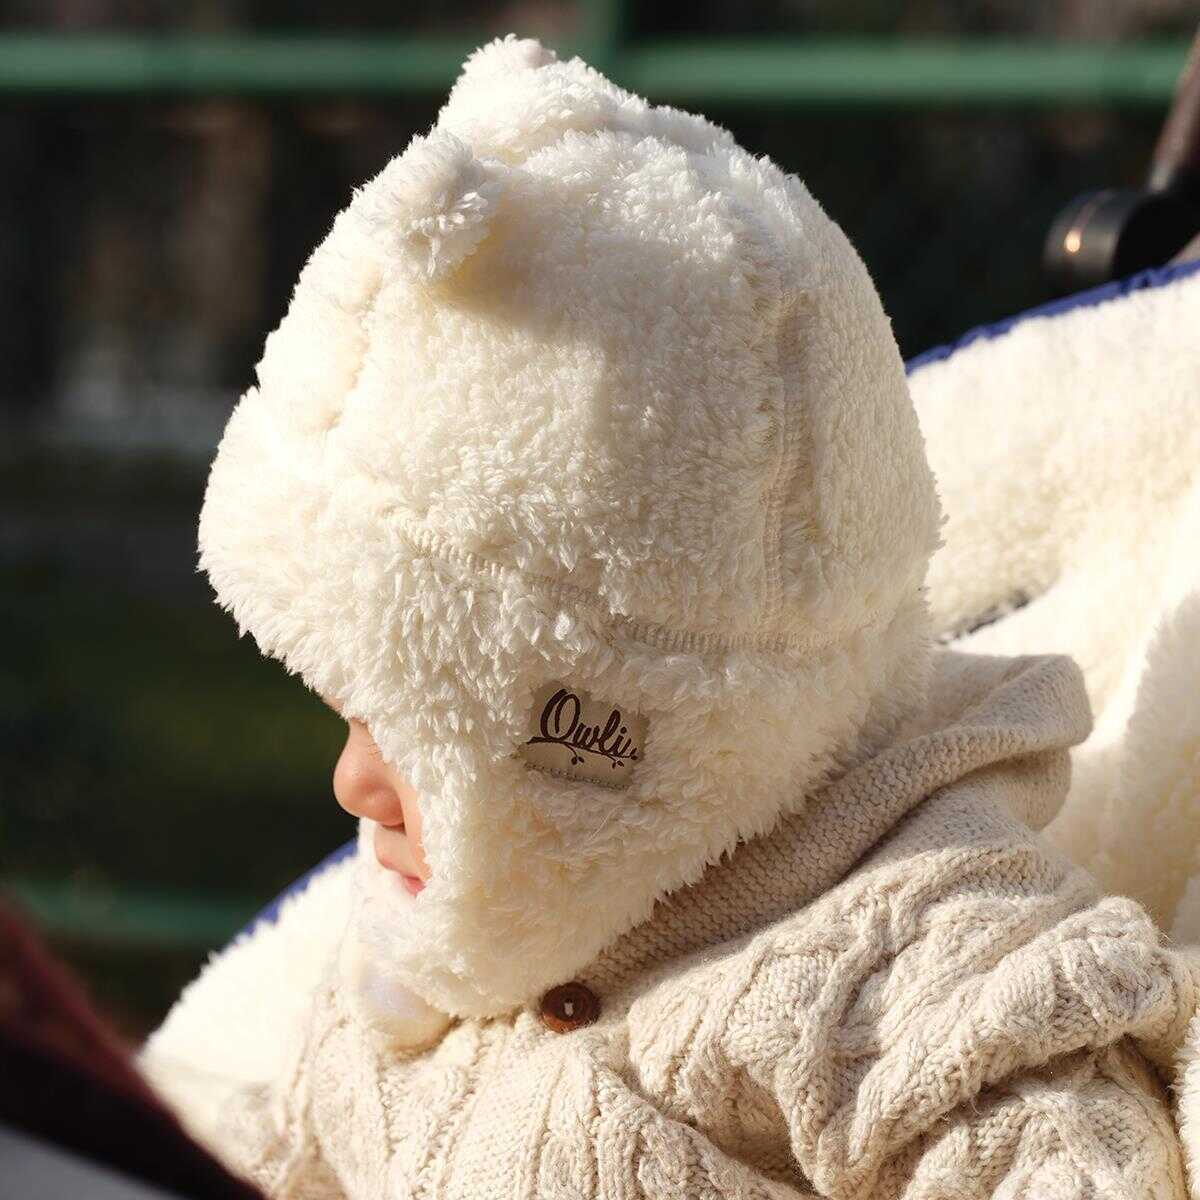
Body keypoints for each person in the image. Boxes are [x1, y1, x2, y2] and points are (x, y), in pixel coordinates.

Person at [138, 35, 1198, 1198]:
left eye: (417, 731)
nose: (354, 785)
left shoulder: (907, 965)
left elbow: (1073, 1166)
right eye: (354, 716)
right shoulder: (414, 951)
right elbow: (280, 1147)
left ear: (610, 732)